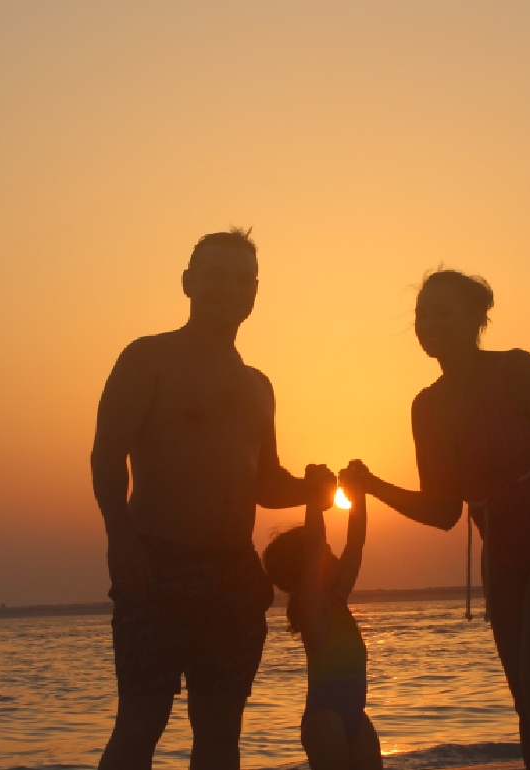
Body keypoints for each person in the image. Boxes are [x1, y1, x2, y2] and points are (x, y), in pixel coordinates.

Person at [339, 269, 530, 770]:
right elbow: (443, 511)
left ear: (478, 316)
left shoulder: (518, 371)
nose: (429, 324)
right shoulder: (426, 407)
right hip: (503, 554)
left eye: (443, 312)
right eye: (422, 315)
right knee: (525, 701)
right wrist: (372, 486)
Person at [91, 228, 337, 770]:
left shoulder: (258, 385)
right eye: (216, 275)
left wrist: (310, 489)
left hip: (234, 574)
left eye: (244, 279)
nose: (231, 288)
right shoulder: (148, 358)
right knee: (140, 723)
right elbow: (106, 457)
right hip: (157, 563)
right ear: (188, 283)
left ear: (256, 291)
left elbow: (265, 482)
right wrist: (120, 539)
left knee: (222, 733)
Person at [261, 480, 381, 770]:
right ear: (310, 568)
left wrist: (358, 493)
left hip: (355, 715)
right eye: (328, 552)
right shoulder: (313, 609)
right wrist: (314, 497)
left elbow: (356, 542)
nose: (335, 554)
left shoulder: (337, 599)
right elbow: (314, 545)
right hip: (325, 720)